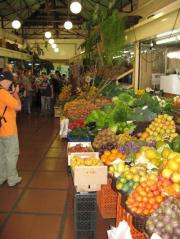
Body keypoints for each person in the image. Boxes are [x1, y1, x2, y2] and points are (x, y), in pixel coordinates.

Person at [0, 71, 22, 186]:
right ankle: (12, 179)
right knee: (11, 154)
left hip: (1, 130)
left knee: (1, 154)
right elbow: (18, 107)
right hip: (9, 129)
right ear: (8, 81)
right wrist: (15, 94)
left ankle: (2, 177)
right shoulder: (4, 93)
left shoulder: (3, 93)